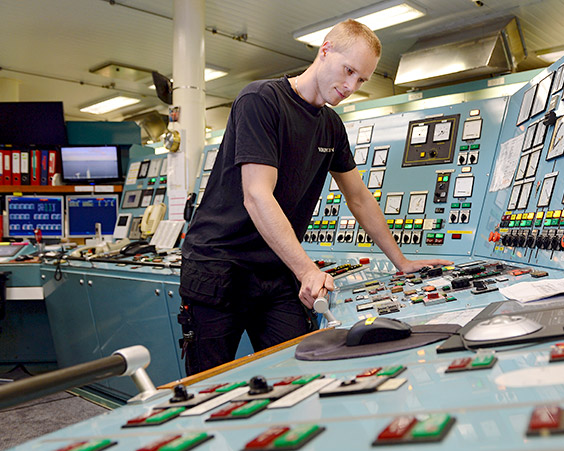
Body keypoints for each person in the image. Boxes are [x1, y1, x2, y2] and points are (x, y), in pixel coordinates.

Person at [179, 19, 451, 376]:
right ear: (325, 50)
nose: (351, 86)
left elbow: (359, 198)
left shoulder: (331, 126)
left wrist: (400, 261)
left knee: (302, 373)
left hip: (275, 271)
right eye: (348, 71)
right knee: (209, 386)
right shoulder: (261, 100)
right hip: (219, 269)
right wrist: (307, 269)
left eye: (362, 80)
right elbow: (257, 196)